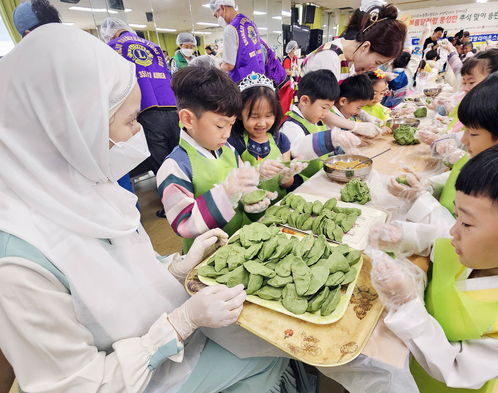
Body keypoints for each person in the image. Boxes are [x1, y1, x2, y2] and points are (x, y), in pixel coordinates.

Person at [0, 23, 294, 393]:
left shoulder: (95, 190)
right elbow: (74, 384)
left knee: (272, 346)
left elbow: (128, 274)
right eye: (130, 121)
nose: (140, 134)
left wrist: (176, 267)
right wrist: (178, 325)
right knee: (267, 358)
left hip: (160, 338)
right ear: (73, 128)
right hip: (136, 375)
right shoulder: (19, 262)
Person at [370, 138, 498, 392]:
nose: (453, 230)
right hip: (411, 358)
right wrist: (404, 236)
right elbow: (441, 240)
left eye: (467, 224)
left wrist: (406, 305)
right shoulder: (488, 251)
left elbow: (453, 367)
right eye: (456, 215)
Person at [388, 69, 498, 238]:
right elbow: (458, 177)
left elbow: (461, 236)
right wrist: (430, 184)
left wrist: (420, 201)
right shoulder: (489, 156)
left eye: (473, 133)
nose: (463, 140)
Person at [156, 66, 277, 253]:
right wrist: (226, 192)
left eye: (231, 125)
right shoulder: (175, 167)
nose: (227, 134)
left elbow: (242, 191)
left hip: (241, 243)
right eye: (220, 126)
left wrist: (251, 199)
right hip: (207, 257)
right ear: (188, 119)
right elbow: (183, 222)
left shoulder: (228, 150)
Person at [301, 3, 406, 132]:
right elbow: (320, 108)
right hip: (305, 126)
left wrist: (366, 116)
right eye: (377, 62)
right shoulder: (329, 57)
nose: (374, 68)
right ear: (365, 47)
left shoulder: (350, 61)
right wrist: (355, 127)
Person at [100, 18, 180, 184]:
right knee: (179, 155)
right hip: (172, 108)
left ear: (110, 34)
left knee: (162, 163)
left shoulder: (111, 48)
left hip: (145, 110)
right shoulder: (154, 46)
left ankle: (173, 204)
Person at [228, 72, 307, 209]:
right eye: (254, 117)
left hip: (280, 208)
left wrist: (287, 175)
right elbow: (232, 183)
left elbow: (286, 185)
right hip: (249, 212)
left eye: (268, 116)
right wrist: (257, 172)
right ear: (240, 114)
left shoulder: (281, 141)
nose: (262, 123)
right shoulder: (234, 142)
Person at [279, 70, 361, 183]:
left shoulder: (318, 121)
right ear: (304, 100)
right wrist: (331, 138)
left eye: (329, 108)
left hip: (321, 177)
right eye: (324, 107)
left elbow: (327, 151)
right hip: (303, 184)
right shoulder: (291, 126)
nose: (326, 113)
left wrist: (343, 149)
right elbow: (297, 150)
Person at [209, 0, 265, 82]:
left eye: (216, 15)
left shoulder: (230, 28)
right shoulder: (250, 23)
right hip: (258, 79)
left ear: (222, 7)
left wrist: (216, 65)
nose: (218, 19)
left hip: (242, 81)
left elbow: (229, 66)